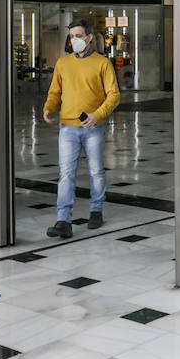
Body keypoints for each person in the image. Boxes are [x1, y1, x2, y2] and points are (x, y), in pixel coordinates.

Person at [42, 19, 120, 238]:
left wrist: (97, 115)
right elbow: (55, 91)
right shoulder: (63, 63)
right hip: (67, 127)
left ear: (89, 38)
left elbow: (114, 95)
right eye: (71, 36)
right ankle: (63, 220)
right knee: (66, 173)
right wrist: (49, 108)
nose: (74, 40)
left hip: (93, 128)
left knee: (96, 170)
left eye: (78, 36)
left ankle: (96, 210)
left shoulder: (102, 63)